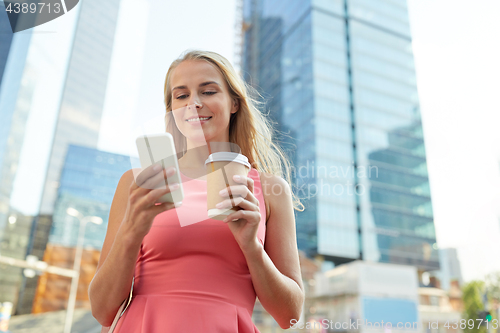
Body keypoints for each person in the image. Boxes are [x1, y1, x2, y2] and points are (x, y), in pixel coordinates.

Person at [89, 50, 305, 332]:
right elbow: (102, 310)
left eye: (208, 91)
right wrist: (132, 230)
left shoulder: (271, 189)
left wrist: (252, 247)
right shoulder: (138, 183)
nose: (194, 103)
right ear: (172, 111)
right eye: (181, 96)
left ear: (234, 103)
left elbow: (289, 316)